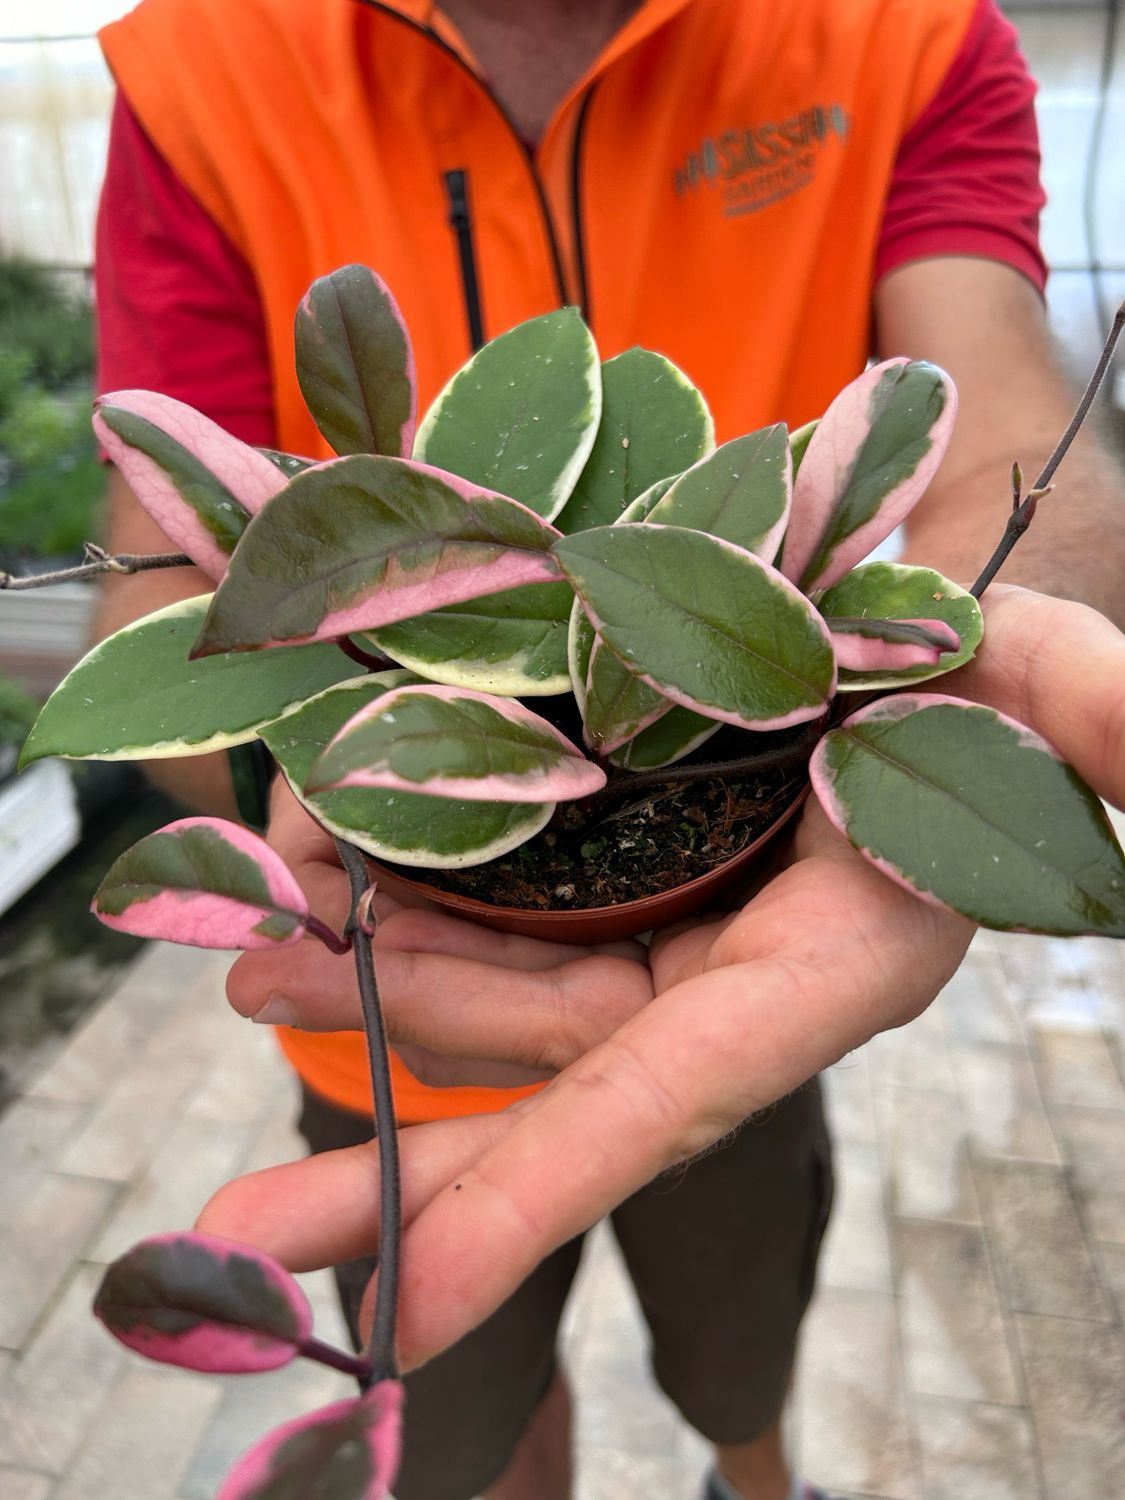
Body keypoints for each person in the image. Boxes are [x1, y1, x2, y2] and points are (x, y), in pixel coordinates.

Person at [92, 1, 1125, 1497]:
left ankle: (753, 1476)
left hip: (755, 920)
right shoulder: (197, 69)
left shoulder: (895, 32)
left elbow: (1001, 446)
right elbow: (183, 593)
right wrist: (377, 779)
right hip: (387, 990)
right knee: (469, 1401)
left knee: (739, 1343)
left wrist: (982, 652)